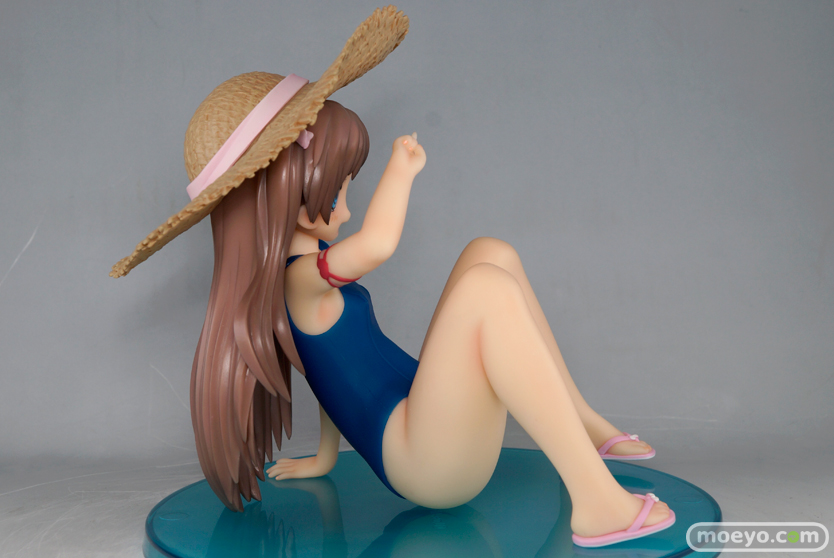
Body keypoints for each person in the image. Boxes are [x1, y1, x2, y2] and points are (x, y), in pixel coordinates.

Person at [111, 7, 673, 548]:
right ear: (285, 194)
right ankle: (598, 505)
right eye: (337, 191)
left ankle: (585, 423)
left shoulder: (301, 283)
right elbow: (378, 245)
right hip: (425, 462)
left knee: (490, 253)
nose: (346, 208)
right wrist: (401, 171)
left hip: (428, 422)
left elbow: (327, 374)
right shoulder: (300, 280)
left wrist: (324, 457)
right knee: (485, 289)